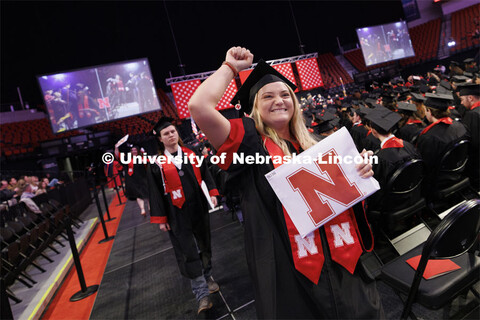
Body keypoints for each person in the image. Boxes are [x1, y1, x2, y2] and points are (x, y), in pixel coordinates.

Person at [188, 47, 383, 319]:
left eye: (285, 95)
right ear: (254, 107)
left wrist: (361, 170)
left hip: (344, 267)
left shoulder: (315, 146)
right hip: (292, 274)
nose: (279, 100)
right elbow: (199, 107)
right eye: (267, 96)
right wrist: (230, 67)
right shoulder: (248, 146)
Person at [147, 118, 220, 315]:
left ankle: (208, 275)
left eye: (173, 131)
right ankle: (201, 293)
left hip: (197, 207)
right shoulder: (157, 164)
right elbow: (154, 192)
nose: (171, 135)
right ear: (160, 139)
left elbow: (206, 174)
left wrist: (213, 192)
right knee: (187, 251)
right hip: (175, 214)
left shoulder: (192, 153)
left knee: (204, 243)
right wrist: (161, 219)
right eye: (166, 134)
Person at [364, 106, 421, 215]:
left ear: (374, 131)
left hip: (392, 205)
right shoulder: (409, 145)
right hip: (414, 194)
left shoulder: (379, 159)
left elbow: (377, 192)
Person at [416, 93, 469, 186]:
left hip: (438, 181)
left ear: (429, 111)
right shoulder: (461, 126)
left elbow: (425, 167)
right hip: (459, 172)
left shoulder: (429, 137)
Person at [115, 143, 149, 217]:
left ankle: (150, 208)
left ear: (138, 151)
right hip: (134, 180)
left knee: (148, 194)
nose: (134, 151)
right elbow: (117, 156)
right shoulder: (127, 158)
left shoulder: (143, 157)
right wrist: (116, 147)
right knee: (138, 195)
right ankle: (142, 209)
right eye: (132, 150)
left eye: (135, 150)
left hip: (143, 178)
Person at [458, 83, 480, 188]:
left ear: (470, 98)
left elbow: (474, 144)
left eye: (462, 99)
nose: (461, 103)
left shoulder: (472, 115)